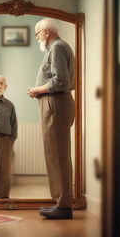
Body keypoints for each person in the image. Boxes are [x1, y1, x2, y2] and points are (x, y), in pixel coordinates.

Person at [27, 18, 75, 219]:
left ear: (46, 32)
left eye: (37, 34)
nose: (37, 38)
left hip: (55, 104)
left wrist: (38, 89)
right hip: (56, 104)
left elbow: (60, 81)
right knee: (56, 154)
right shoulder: (59, 47)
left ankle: (63, 206)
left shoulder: (57, 48)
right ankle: (61, 203)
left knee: (58, 156)